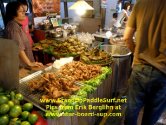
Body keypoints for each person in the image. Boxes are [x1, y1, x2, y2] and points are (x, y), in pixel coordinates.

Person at [123, 0, 166, 125]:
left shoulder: (141, 4)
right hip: (163, 72)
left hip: (140, 67)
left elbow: (126, 37)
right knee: (151, 116)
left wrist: (137, 54)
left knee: (132, 110)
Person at [5, 1, 43, 69]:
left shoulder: (16, 25)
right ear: (13, 13)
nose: (24, 13)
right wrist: (29, 63)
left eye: (24, 11)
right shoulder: (13, 27)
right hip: (22, 65)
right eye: (21, 11)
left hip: (26, 61)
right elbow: (18, 47)